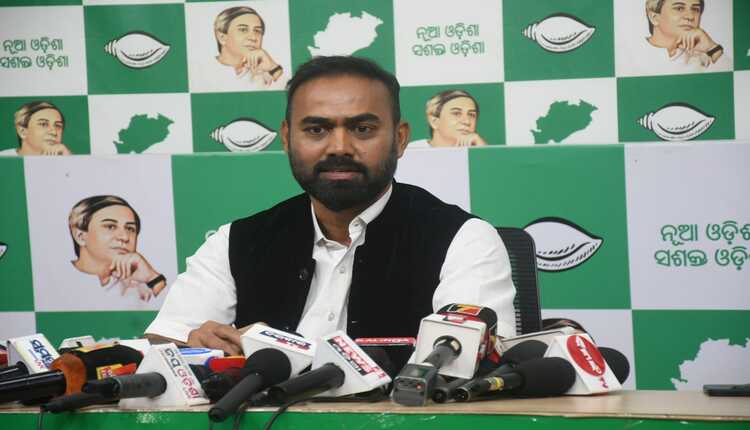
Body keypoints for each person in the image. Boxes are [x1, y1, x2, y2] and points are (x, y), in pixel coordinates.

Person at [145, 56, 515, 355]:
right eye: (316, 130)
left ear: (400, 139)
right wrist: (197, 347)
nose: (339, 147)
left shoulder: (463, 240)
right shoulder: (237, 241)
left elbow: (464, 359)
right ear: (287, 138)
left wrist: (275, 349)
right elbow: (166, 343)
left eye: (362, 129)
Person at [69, 195, 167, 303]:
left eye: (130, 229)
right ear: (80, 237)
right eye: (110, 227)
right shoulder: (59, 280)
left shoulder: (141, 287)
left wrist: (152, 278)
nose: (125, 237)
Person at [624, 0, 730, 75]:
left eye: (695, 9)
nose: (690, 16)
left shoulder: (706, 58)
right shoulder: (627, 56)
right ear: (654, 17)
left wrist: (712, 48)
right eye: (679, 8)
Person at [211, 6, 285, 90]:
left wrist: (273, 68)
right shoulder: (204, 72)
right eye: (243, 30)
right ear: (222, 37)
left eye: (257, 31)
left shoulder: (267, 76)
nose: (253, 38)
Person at [409, 90, 487, 149]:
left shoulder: (478, 148)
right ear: (434, 122)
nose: (467, 121)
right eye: (456, 113)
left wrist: (484, 151)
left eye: (471, 115)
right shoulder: (410, 151)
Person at [1, 101, 72, 156]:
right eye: (43, 124)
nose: (54, 132)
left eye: (58, 126)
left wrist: (69, 159)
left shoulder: (65, 157)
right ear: (22, 131)